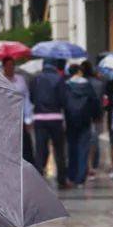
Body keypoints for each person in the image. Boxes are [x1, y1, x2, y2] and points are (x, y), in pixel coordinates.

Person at [30, 59, 69, 189]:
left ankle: (38, 178)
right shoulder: (59, 79)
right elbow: (63, 100)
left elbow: (32, 98)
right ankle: (62, 180)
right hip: (55, 117)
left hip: (39, 118)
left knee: (40, 149)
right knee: (59, 150)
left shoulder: (36, 79)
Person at [63, 63, 102, 187]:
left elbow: (62, 102)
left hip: (70, 120)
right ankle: (80, 178)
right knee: (83, 148)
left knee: (72, 148)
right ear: (79, 72)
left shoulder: (66, 85)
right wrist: (97, 117)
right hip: (85, 120)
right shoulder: (87, 85)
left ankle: (71, 175)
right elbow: (95, 102)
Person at [2, 56, 35, 165]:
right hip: (6, 119)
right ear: (4, 67)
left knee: (26, 147)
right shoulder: (0, 80)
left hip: (21, 117)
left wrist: (29, 118)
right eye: (8, 65)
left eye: (12, 65)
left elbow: (26, 98)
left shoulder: (20, 79)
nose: (10, 68)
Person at [82, 60, 106, 178]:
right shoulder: (99, 83)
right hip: (96, 115)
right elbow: (101, 100)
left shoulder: (80, 83)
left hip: (82, 115)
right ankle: (93, 164)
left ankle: (86, 165)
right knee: (94, 140)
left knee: (84, 140)